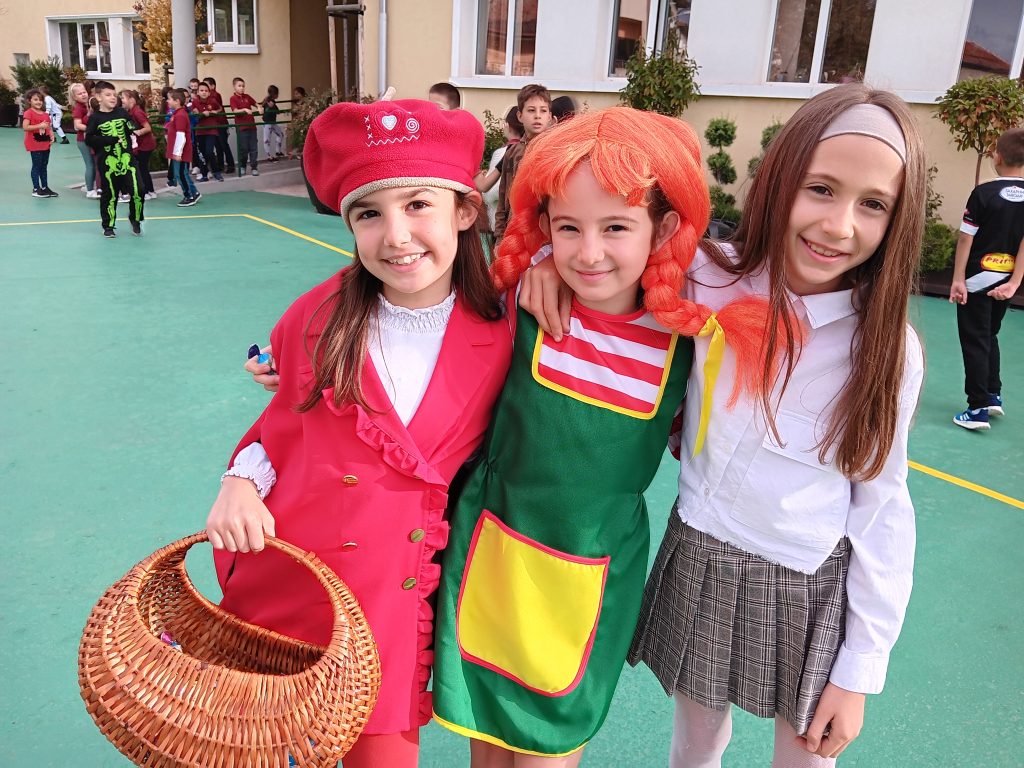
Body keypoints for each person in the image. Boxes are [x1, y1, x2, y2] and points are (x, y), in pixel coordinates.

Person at [523, 85, 927, 767]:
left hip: (808, 578)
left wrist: (860, 669)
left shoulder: (886, 350)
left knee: (807, 753)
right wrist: (545, 266)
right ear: (779, 180)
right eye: (820, 189)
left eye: (873, 205)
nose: (838, 225)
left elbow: (882, 506)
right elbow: (607, 247)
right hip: (704, 548)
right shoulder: (706, 277)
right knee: (696, 743)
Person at [431, 107, 779, 766]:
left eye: (616, 226)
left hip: (588, 579)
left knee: (550, 748)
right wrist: (538, 262)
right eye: (568, 228)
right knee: (487, 748)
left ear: (664, 228)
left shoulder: (690, 340)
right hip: (491, 555)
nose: (588, 253)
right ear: (545, 227)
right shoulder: (520, 303)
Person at [205, 98, 513, 768]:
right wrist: (238, 482)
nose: (396, 235)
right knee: (265, 748)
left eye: (418, 204)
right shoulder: (316, 315)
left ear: (465, 210)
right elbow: (281, 427)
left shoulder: (509, 326)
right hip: (292, 584)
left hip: (391, 601)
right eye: (368, 214)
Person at [948, 127, 1024, 430]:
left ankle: (977, 408)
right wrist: (1014, 283)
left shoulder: (983, 193)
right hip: (1005, 282)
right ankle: (993, 395)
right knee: (989, 335)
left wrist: (958, 279)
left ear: (998, 156)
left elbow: (965, 239)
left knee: (975, 341)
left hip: (976, 282)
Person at [494, 83, 553, 242]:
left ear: (549, 116)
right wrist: (499, 237)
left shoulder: (555, 150)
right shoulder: (512, 152)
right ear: (520, 116)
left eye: (543, 111)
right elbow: (503, 197)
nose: (537, 116)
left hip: (546, 235)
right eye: (531, 110)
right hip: (515, 233)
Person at [85, 81, 144, 237]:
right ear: (98, 97)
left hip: (127, 159)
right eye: (108, 95)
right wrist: (108, 140)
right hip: (107, 162)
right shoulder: (95, 118)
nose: (113, 97)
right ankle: (108, 225)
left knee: (138, 189)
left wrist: (133, 127)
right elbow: (89, 139)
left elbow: (131, 126)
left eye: (114, 95)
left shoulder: (122, 113)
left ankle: (135, 218)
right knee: (110, 194)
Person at [475, 106, 523, 234]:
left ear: (508, 126)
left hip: (504, 224)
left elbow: (490, 193)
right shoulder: (533, 149)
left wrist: (480, 177)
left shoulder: (504, 152)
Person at [165, 88, 201, 208]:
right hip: (179, 151)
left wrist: (178, 153)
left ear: (177, 101)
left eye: (169, 99)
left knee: (180, 174)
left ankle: (189, 196)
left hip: (181, 152)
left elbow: (181, 135)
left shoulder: (180, 115)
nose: (167, 101)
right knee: (182, 173)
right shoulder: (177, 114)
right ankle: (194, 193)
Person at [121, 89, 157, 200]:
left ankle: (147, 191)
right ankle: (150, 191)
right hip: (141, 145)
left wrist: (138, 132)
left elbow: (147, 128)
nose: (121, 100)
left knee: (142, 169)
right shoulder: (132, 112)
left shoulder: (137, 112)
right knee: (142, 168)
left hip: (144, 145)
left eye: (123, 98)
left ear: (131, 100)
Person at [22, 89, 57, 198]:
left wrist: (51, 135)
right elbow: (25, 127)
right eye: (35, 99)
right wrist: (39, 126)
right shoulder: (29, 113)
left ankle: (45, 187)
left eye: (40, 100)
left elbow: (48, 127)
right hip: (34, 144)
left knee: (44, 166)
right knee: (36, 166)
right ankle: (36, 189)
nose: (38, 102)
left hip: (45, 144)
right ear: (29, 101)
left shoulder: (45, 114)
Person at [69, 83, 100, 198]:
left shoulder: (89, 104)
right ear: (74, 97)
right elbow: (77, 125)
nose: (83, 95)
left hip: (91, 139)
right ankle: (90, 190)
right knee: (90, 164)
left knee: (94, 163)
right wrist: (92, 129)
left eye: (84, 92)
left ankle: (89, 185)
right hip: (83, 140)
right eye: (79, 94)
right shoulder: (78, 108)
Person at [191, 81, 224, 182]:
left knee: (209, 151)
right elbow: (194, 113)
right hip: (200, 131)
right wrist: (201, 113)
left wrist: (214, 111)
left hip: (211, 130)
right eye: (201, 90)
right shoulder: (195, 102)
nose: (204, 92)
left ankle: (216, 172)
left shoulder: (212, 101)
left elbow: (220, 108)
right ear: (198, 92)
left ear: (209, 92)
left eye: (206, 91)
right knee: (202, 153)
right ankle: (204, 174)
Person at [229, 76, 261, 176]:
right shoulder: (233, 98)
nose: (242, 88)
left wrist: (259, 107)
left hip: (252, 126)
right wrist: (244, 110)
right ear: (234, 86)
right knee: (244, 149)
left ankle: (254, 167)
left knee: (254, 148)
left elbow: (256, 103)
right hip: (242, 128)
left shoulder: (247, 96)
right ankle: (242, 166)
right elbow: (235, 111)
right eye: (239, 86)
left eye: (243, 86)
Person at [204, 76, 236, 174]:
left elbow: (213, 107)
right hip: (215, 123)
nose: (204, 88)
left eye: (207, 85)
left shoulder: (215, 95)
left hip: (221, 123)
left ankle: (230, 165)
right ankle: (220, 165)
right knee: (217, 145)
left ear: (212, 86)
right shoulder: (209, 96)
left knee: (223, 144)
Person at [262, 84, 284, 160]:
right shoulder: (268, 101)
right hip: (267, 123)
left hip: (272, 122)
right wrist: (272, 108)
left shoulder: (270, 101)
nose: (278, 95)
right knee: (267, 139)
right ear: (274, 94)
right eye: (277, 93)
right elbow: (277, 111)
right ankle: (269, 156)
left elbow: (277, 111)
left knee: (280, 134)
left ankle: (278, 151)